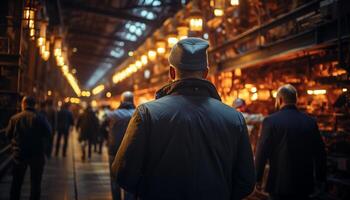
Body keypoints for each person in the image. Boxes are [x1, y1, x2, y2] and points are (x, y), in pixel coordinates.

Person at [112, 38, 255, 200]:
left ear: (172, 72)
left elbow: (122, 173)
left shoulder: (147, 113)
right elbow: (246, 181)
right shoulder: (234, 117)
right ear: (206, 73)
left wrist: (152, 191)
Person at [255, 84, 327, 200]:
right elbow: (320, 153)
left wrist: (257, 178)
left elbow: (262, 152)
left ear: (280, 99)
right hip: (304, 184)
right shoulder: (310, 122)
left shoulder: (270, 121)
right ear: (296, 100)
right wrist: (320, 178)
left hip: (278, 184)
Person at [5, 96, 51, 200]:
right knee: (35, 183)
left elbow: (8, 135)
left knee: (16, 183)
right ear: (34, 105)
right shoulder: (41, 118)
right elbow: (49, 133)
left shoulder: (15, 118)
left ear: (24, 104)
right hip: (37, 155)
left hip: (19, 155)